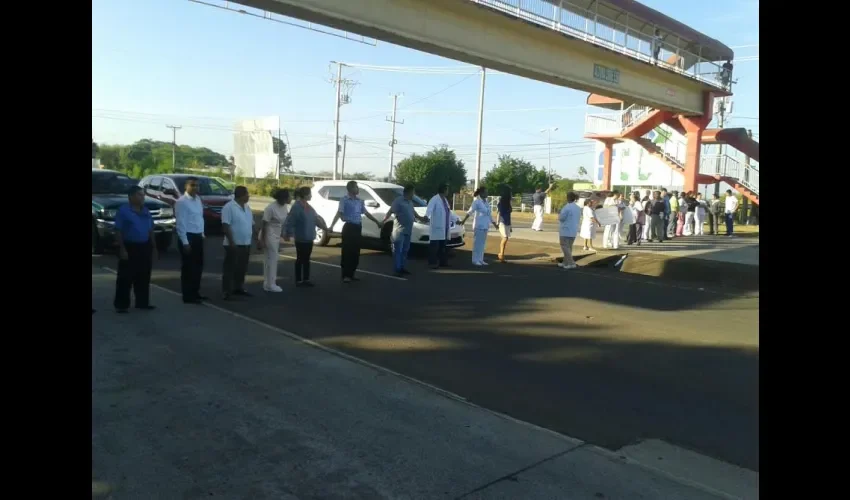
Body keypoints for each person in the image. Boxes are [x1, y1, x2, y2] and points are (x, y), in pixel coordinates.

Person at [113, 185, 158, 313]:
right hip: (129, 246)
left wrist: (154, 247)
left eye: (143, 195)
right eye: (139, 195)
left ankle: (142, 302)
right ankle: (121, 305)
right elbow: (118, 231)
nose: (142, 197)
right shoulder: (123, 211)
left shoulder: (145, 210)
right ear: (131, 197)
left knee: (144, 275)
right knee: (125, 277)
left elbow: (150, 229)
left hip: (144, 246)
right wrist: (122, 248)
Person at [330, 181, 383, 283]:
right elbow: (339, 212)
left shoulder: (359, 201)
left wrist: (377, 222)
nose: (358, 189)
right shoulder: (344, 200)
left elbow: (366, 213)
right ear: (350, 189)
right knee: (347, 251)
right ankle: (345, 275)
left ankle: (352, 273)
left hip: (357, 227)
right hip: (349, 227)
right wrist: (332, 225)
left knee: (355, 252)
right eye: (356, 187)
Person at [284, 186, 328, 287]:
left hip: (309, 237)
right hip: (301, 237)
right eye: (310, 194)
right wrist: (288, 233)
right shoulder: (297, 207)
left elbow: (316, 219)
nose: (311, 196)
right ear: (304, 195)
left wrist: (325, 228)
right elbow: (290, 221)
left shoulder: (309, 207)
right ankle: (298, 280)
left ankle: (306, 279)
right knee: (300, 259)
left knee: (307, 259)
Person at [221, 186, 257, 300]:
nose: (248, 196)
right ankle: (226, 291)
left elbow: (252, 224)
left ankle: (238, 288)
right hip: (233, 243)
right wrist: (232, 242)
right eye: (247, 194)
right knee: (230, 268)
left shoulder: (247, 207)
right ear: (241, 195)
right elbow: (225, 225)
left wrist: (257, 239)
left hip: (246, 242)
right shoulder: (229, 207)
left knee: (242, 268)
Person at [382, 184, 426, 276]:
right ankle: (397, 269)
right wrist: (383, 221)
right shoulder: (398, 201)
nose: (414, 194)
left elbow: (413, 212)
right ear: (408, 192)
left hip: (408, 230)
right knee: (398, 250)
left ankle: (402, 267)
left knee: (405, 250)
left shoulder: (410, 202)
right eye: (413, 192)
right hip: (399, 231)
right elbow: (390, 211)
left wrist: (421, 218)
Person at [175, 176, 207, 304]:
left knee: (198, 267)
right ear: (186, 186)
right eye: (192, 185)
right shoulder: (181, 202)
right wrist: (185, 242)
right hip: (188, 237)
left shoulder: (198, 199)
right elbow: (180, 223)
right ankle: (188, 296)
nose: (195, 188)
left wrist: (202, 233)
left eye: (197, 185)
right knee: (188, 268)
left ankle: (195, 293)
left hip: (198, 236)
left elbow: (199, 218)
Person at [259, 188, 291, 292]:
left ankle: (267, 283)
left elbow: (283, 222)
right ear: (283, 198)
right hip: (268, 234)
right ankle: (271, 284)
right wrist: (262, 240)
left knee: (269, 259)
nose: (290, 198)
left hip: (276, 234)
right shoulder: (270, 208)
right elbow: (264, 224)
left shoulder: (285, 206)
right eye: (289, 196)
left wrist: (284, 234)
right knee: (272, 259)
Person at [460, 187, 497, 266]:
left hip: (485, 226)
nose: (487, 193)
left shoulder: (486, 202)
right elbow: (470, 211)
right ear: (481, 193)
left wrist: (494, 224)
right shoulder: (477, 202)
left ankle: (480, 259)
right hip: (479, 225)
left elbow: (489, 215)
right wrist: (463, 220)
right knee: (477, 244)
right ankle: (475, 260)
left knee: (482, 244)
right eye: (486, 192)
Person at [425, 183, 452, 269]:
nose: (448, 191)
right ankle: (432, 263)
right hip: (437, 227)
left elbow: (448, 212)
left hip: (445, 227)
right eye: (447, 189)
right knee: (434, 247)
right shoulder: (435, 199)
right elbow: (429, 209)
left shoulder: (445, 200)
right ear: (444, 190)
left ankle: (443, 262)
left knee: (443, 247)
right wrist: (426, 216)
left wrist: (456, 220)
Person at [558, 192, 582, 270]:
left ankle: (571, 262)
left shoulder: (566, 207)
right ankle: (565, 262)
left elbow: (561, 218)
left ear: (567, 198)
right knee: (569, 247)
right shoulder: (578, 208)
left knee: (564, 246)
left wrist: (559, 214)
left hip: (565, 230)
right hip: (573, 230)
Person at [496, 186, 513, 263]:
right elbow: (499, 213)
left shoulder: (508, 203)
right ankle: (501, 254)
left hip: (507, 222)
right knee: (505, 238)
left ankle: (502, 255)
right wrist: (497, 223)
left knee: (505, 238)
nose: (511, 194)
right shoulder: (502, 202)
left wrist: (511, 225)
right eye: (510, 193)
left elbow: (509, 214)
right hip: (502, 222)